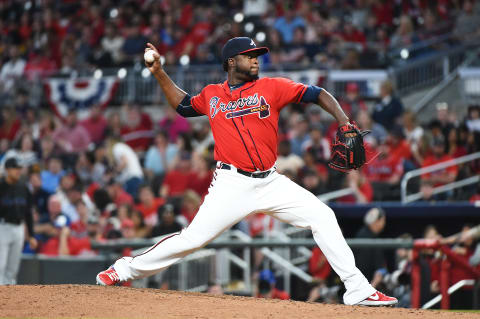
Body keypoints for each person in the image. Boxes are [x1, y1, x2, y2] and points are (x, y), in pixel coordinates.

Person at [96, 37, 397, 306]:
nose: (256, 59)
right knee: (192, 239)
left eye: (257, 54)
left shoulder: (272, 87)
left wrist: (344, 121)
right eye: (249, 55)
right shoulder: (212, 94)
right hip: (231, 184)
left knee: (323, 216)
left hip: (271, 181)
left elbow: (317, 93)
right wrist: (159, 72)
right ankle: (123, 269)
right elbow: (185, 105)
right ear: (231, 62)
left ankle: (357, 288)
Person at [0, 157, 37, 285]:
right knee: (0, 265)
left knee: (13, 267)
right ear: (7, 169)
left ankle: (10, 297)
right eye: (15, 168)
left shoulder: (23, 187)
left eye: (19, 168)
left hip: (19, 228)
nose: (18, 171)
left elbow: (28, 213)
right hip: (2, 227)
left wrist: (31, 235)